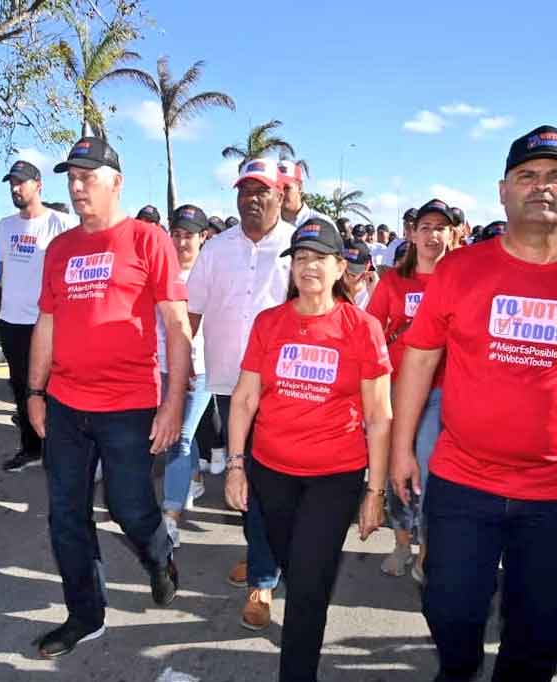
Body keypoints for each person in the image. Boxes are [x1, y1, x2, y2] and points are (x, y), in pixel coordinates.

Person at [390, 126, 557, 682]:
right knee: (449, 608)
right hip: (463, 483)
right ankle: (459, 669)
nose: (542, 187)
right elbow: (419, 359)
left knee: (536, 634)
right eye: (528, 175)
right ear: (503, 190)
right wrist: (400, 452)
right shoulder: (461, 269)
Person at [27, 137, 189, 658]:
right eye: (71, 178)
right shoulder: (60, 248)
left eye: (87, 177)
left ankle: (159, 554)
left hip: (128, 404)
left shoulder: (147, 240)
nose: (76, 188)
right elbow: (46, 323)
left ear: (115, 182)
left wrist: (173, 403)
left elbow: (177, 326)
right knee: (65, 514)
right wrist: (34, 391)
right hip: (67, 403)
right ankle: (85, 615)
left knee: (129, 507)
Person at [225, 217, 391, 682]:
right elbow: (244, 399)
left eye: (319, 258)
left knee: (309, 584)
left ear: (341, 267)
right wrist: (237, 465)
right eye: (300, 258)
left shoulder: (363, 328)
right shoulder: (269, 323)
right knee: (293, 569)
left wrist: (374, 491)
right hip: (271, 472)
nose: (308, 266)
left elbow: (379, 416)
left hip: (335, 476)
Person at [187, 157, 293, 631]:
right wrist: (178, 370)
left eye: (261, 191)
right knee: (249, 477)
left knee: (270, 482)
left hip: (287, 387)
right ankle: (264, 563)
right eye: (244, 191)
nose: (251, 199)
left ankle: (264, 575)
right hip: (230, 384)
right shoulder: (216, 249)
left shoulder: (297, 246)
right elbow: (192, 310)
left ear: (279, 195)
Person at [368, 198, 453, 583]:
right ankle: (403, 541)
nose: (432, 235)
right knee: (395, 467)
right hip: (398, 389)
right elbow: (369, 332)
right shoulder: (393, 281)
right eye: (425, 227)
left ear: (452, 234)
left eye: (440, 227)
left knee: (431, 470)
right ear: (412, 234)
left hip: (444, 392)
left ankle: (429, 550)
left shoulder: (463, 279)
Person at [0, 160, 71, 472]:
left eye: (21, 182)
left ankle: (60, 450)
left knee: (53, 388)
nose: (16, 188)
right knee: (21, 387)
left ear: (38, 185)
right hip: (12, 321)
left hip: (48, 321)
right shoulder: (5, 225)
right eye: (11, 183)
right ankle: (31, 448)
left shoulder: (60, 223)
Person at [160, 204, 213, 547]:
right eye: (176, 234)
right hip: (163, 368)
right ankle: (194, 477)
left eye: (189, 236)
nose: (181, 243)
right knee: (183, 430)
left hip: (202, 370)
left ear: (203, 237)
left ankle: (170, 517)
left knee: (177, 437)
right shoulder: (160, 271)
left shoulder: (211, 274)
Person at [277, 160, 330, 227]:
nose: (281, 192)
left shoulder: (321, 222)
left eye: (286, 188)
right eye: (277, 187)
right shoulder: (266, 226)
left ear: (300, 187)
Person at [341, 240, 377, 309]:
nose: (345, 274)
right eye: (342, 268)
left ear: (367, 266)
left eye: (352, 273)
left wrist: (375, 297)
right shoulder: (331, 289)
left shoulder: (371, 293)